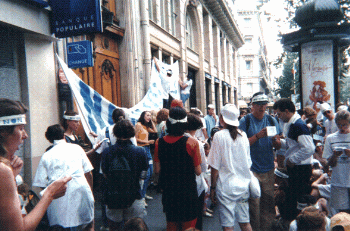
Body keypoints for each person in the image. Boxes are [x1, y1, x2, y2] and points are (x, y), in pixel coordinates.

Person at [0, 98, 71, 231]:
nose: (25, 135)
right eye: (21, 128)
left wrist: (13, 176)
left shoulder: (6, 169)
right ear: (4, 132)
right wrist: (49, 194)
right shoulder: (3, 170)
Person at [33, 124, 94, 230]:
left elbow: (41, 183)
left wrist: (51, 195)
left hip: (58, 199)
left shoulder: (47, 155)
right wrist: (90, 191)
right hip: (81, 191)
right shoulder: (77, 148)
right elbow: (88, 173)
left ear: (49, 140)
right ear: (64, 136)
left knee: (60, 227)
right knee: (87, 225)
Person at [154, 106, 202, 231]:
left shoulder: (159, 142)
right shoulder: (192, 142)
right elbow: (198, 171)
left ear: (169, 122)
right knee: (189, 226)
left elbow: (157, 170)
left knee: (172, 224)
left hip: (169, 191)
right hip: (187, 191)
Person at [238, 92, 281, 231]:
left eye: (265, 104)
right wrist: (257, 136)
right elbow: (240, 144)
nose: (263, 108)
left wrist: (276, 140)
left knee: (268, 203)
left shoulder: (272, 120)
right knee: (254, 205)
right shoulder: (246, 121)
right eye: (259, 105)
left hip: (268, 168)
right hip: (251, 170)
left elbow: (278, 146)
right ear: (253, 106)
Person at [208, 103, 253, 231]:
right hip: (243, 185)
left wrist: (212, 188)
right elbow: (248, 162)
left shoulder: (219, 136)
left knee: (228, 225)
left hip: (226, 186)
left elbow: (214, 166)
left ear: (222, 119)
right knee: (245, 222)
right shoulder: (243, 135)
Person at [101, 119, 148, 231]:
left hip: (113, 197)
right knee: (134, 227)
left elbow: (105, 174)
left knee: (114, 227)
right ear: (132, 132)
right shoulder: (140, 151)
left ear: (115, 133)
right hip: (134, 195)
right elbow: (143, 174)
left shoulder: (107, 152)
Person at [95, 108, 137, 230]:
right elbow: (134, 148)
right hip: (128, 171)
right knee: (128, 197)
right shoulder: (129, 131)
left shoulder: (104, 131)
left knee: (108, 199)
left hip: (107, 172)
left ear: (112, 118)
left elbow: (99, 151)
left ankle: (107, 224)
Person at [273, 98, 315, 220]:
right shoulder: (292, 124)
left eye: (279, 114)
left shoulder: (298, 125)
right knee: (295, 198)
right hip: (296, 168)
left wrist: (292, 160)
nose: (278, 117)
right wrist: (279, 142)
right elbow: (293, 145)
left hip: (300, 169)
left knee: (299, 199)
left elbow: (309, 148)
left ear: (287, 111)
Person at [185, 113, 209, 230]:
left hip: (178, 184)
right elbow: (202, 168)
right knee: (196, 218)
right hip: (195, 184)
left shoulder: (174, 139)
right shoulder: (197, 143)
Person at [323, 110, 350, 214]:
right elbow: (328, 163)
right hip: (338, 180)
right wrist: (334, 156)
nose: (342, 127)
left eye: (344, 125)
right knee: (343, 213)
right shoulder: (331, 138)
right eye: (339, 125)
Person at [135, 111, 157, 201]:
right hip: (142, 149)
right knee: (145, 174)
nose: (149, 117)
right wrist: (147, 142)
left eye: (150, 115)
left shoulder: (145, 126)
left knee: (150, 172)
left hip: (147, 150)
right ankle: (141, 196)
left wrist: (151, 121)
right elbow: (135, 139)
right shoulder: (138, 125)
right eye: (147, 115)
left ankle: (144, 193)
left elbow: (155, 131)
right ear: (142, 116)